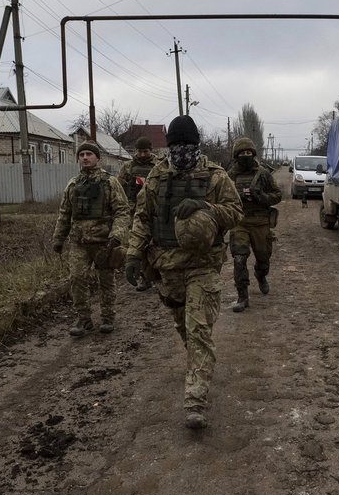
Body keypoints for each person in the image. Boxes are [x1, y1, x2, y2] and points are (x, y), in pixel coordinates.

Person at [124, 115, 243, 429]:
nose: (182, 151)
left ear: (197, 144)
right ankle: (197, 365)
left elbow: (235, 212)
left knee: (198, 330)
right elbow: (142, 216)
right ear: (169, 146)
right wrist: (133, 255)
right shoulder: (157, 176)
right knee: (184, 328)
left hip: (203, 266)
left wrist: (206, 208)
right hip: (167, 266)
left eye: (187, 145)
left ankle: (195, 401)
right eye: (176, 145)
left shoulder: (215, 176)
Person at [52, 141, 130, 336]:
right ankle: (83, 318)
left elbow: (122, 211)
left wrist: (116, 237)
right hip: (79, 243)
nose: (85, 157)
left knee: (106, 281)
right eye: (82, 154)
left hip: (104, 242)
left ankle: (107, 317)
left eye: (89, 154)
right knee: (77, 279)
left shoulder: (110, 182)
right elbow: (64, 213)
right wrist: (58, 239)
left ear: (98, 158)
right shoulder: (73, 184)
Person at [226, 137, 283, 312]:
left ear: (253, 154)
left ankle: (261, 275)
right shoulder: (230, 176)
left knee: (263, 259)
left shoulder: (263, 174)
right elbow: (222, 198)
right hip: (240, 222)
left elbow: (277, 195)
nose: (246, 155)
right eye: (242, 153)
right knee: (239, 258)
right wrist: (237, 198)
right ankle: (242, 296)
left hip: (260, 223)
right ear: (236, 155)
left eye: (249, 153)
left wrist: (262, 197)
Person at [117, 137, 160, 291]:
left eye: (145, 151)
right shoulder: (127, 167)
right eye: (139, 151)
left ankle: (159, 273)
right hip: (133, 211)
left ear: (151, 150)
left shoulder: (159, 166)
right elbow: (119, 188)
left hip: (154, 211)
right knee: (139, 244)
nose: (142, 155)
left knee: (156, 243)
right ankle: (145, 277)